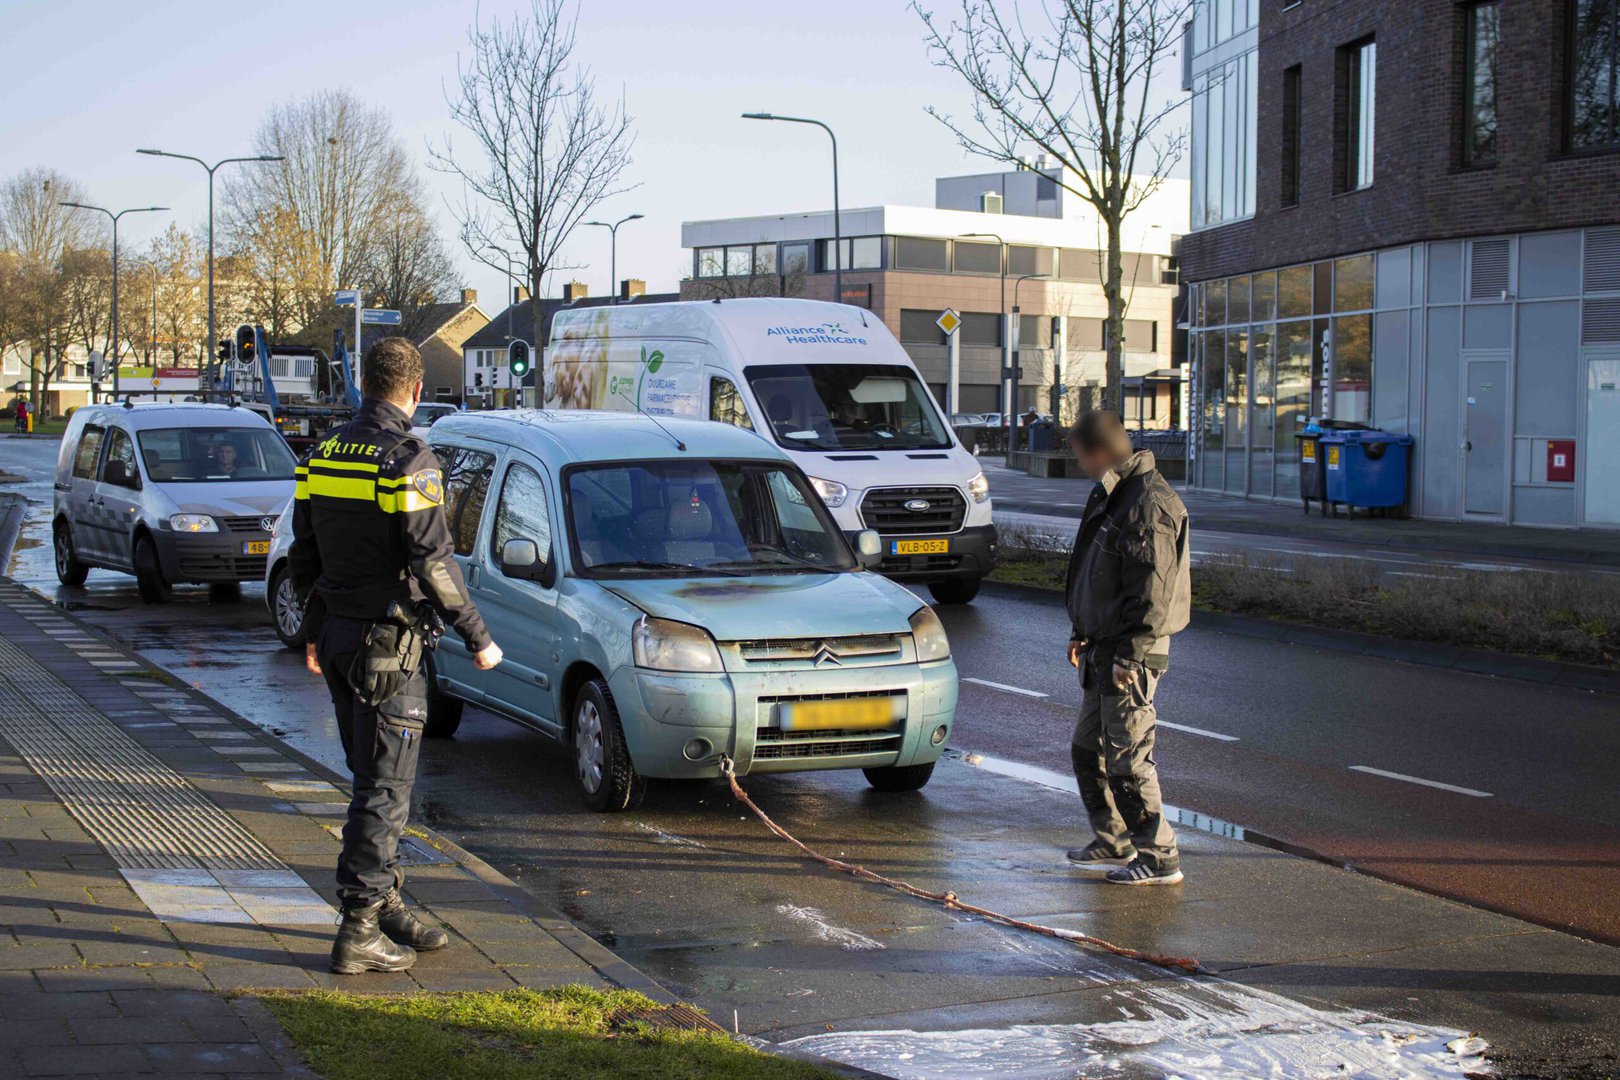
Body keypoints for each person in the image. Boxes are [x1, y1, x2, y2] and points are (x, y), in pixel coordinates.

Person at [289, 337, 503, 974]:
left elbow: (305, 553)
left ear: (365, 384)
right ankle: (358, 927)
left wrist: (312, 627)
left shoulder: (322, 453)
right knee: (384, 790)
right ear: (413, 391)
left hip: (337, 639)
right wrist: (477, 634)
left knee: (368, 777)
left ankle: (385, 904)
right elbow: (431, 561)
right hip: (388, 644)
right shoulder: (408, 459)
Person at [1062, 409, 1191, 885]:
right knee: (1086, 749)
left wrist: (1129, 656)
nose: (1078, 465)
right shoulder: (1117, 494)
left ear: (1097, 451)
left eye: (1078, 455)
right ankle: (1113, 839)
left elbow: (1152, 590)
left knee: (1128, 756)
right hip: (1105, 644)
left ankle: (1159, 857)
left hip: (1128, 653)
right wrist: (1082, 630)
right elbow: (1100, 575)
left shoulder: (1146, 502)